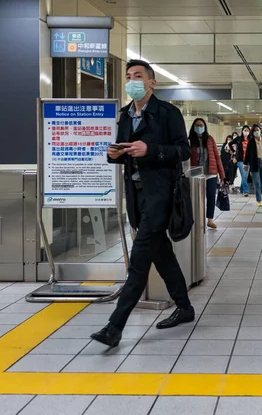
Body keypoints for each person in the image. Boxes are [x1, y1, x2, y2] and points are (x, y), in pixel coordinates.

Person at [91, 59, 195, 347]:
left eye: (138, 76)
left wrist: (152, 150)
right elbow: (124, 150)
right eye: (128, 76)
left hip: (161, 194)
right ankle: (184, 308)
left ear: (152, 82)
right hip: (135, 195)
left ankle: (115, 326)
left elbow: (183, 150)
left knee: (138, 261)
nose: (132, 80)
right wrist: (114, 155)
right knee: (161, 254)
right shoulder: (125, 116)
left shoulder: (168, 113)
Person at [189, 118, 225, 229]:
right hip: (196, 173)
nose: (199, 127)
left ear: (204, 127)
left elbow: (217, 156)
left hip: (211, 173)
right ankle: (196, 218)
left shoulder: (209, 139)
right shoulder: (190, 140)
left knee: (210, 196)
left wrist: (222, 174)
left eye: (201, 125)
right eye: (197, 125)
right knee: (197, 197)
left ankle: (210, 219)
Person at [244, 124, 262, 206]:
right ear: (252, 133)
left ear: (260, 130)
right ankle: (259, 200)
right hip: (255, 163)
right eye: (254, 130)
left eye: (257, 130)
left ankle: (258, 193)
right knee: (257, 183)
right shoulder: (251, 142)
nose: (256, 131)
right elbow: (248, 154)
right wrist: (245, 163)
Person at [232, 126, 251, 197]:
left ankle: (241, 189)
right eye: (245, 130)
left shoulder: (250, 139)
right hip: (240, 160)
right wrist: (234, 152)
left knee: (245, 176)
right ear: (242, 131)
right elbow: (230, 143)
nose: (246, 132)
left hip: (248, 160)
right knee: (243, 175)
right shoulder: (238, 139)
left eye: (247, 130)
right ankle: (246, 191)